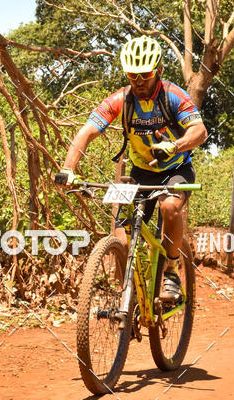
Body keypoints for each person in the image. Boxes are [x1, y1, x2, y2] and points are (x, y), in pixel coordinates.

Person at [56, 35, 207, 302]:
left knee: (169, 207)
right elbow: (86, 132)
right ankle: (131, 295)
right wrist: (68, 168)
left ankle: (171, 273)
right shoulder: (120, 100)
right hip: (140, 174)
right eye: (132, 75)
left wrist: (174, 146)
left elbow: (200, 131)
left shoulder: (174, 96)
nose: (138, 82)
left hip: (175, 169)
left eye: (145, 75)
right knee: (121, 240)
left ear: (158, 71)